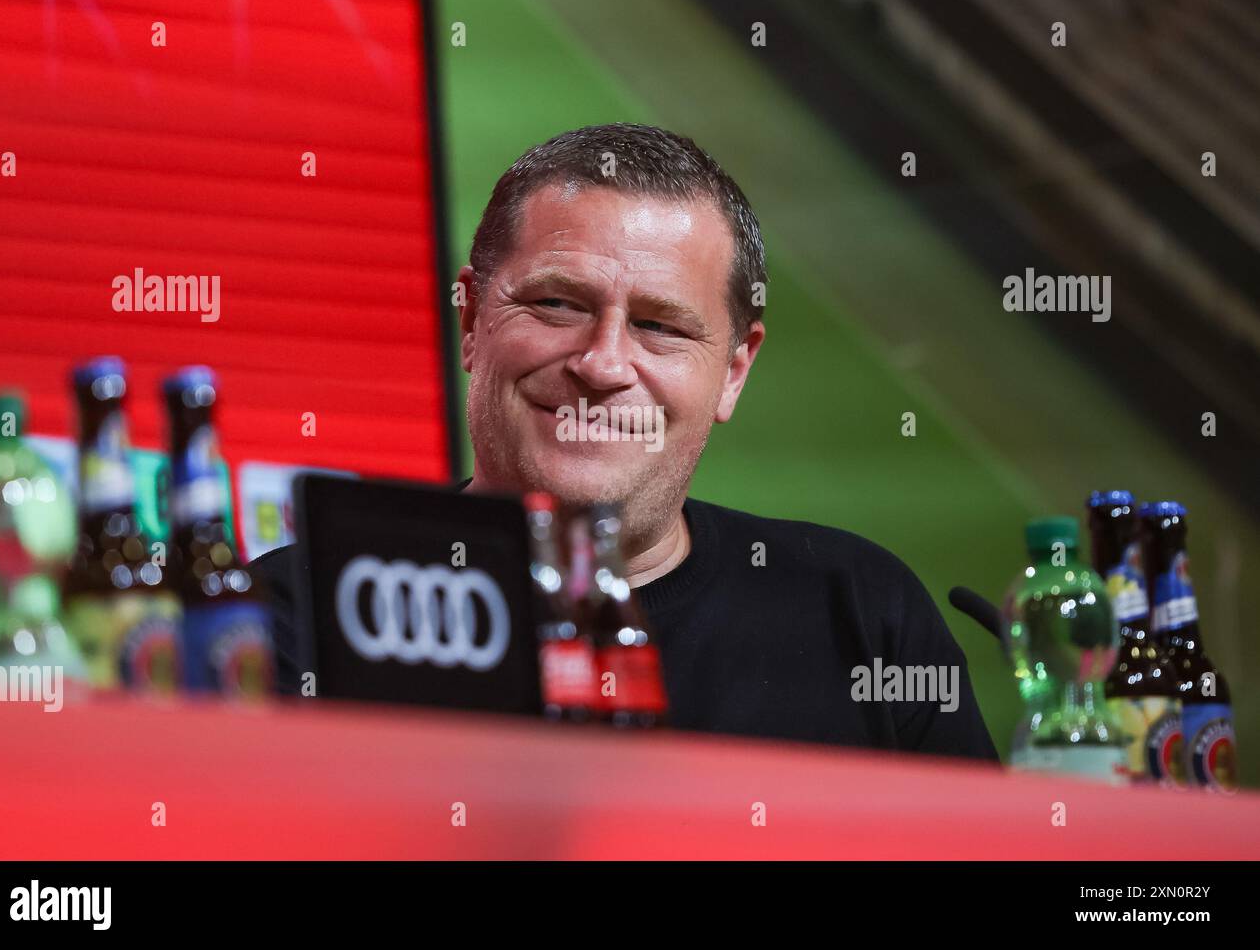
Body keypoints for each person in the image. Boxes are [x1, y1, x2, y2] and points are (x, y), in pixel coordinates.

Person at [253, 122, 999, 761]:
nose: (603, 364)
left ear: (734, 370)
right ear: (472, 320)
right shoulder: (289, 616)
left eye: (659, 326)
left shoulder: (866, 612)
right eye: (555, 303)